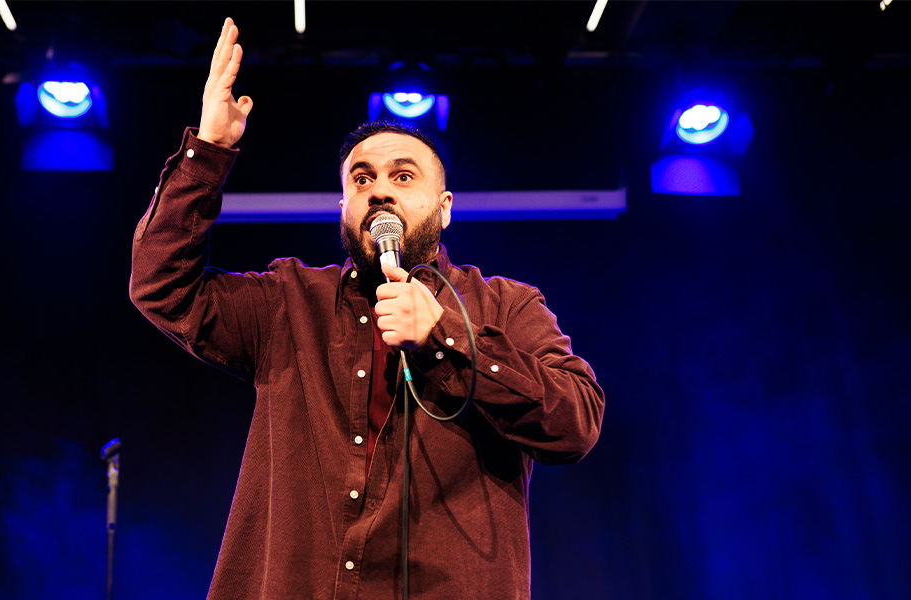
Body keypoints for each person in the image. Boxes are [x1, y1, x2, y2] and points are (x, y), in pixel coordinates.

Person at [130, 18, 605, 600]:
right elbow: (161, 285)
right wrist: (208, 151)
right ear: (344, 205)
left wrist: (448, 335)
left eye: (403, 177)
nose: (380, 190)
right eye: (362, 179)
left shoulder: (505, 306)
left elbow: (575, 425)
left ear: (445, 206)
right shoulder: (289, 301)